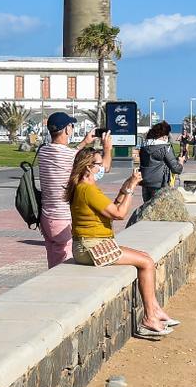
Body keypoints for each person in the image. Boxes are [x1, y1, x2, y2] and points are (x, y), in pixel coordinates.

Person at [67, 148, 176, 336]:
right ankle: (150, 317)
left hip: (94, 244)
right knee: (146, 262)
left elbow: (111, 207)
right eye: (99, 165)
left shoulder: (86, 187)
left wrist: (126, 185)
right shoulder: (86, 189)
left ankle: (155, 310)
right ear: (88, 167)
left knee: (145, 256)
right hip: (91, 248)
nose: (102, 168)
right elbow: (119, 213)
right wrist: (132, 188)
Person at [37, 112, 110, 268]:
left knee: (53, 262)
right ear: (67, 130)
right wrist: (107, 148)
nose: (72, 128)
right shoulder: (71, 156)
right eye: (71, 125)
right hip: (62, 219)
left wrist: (83, 143)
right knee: (66, 266)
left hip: (46, 217)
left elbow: (68, 155)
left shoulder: (43, 152)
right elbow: (103, 168)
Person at [139, 121, 184, 203]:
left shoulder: (144, 148)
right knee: (160, 211)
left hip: (145, 184)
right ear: (164, 136)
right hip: (160, 185)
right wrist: (181, 162)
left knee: (147, 210)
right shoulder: (165, 148)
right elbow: (176, 169)